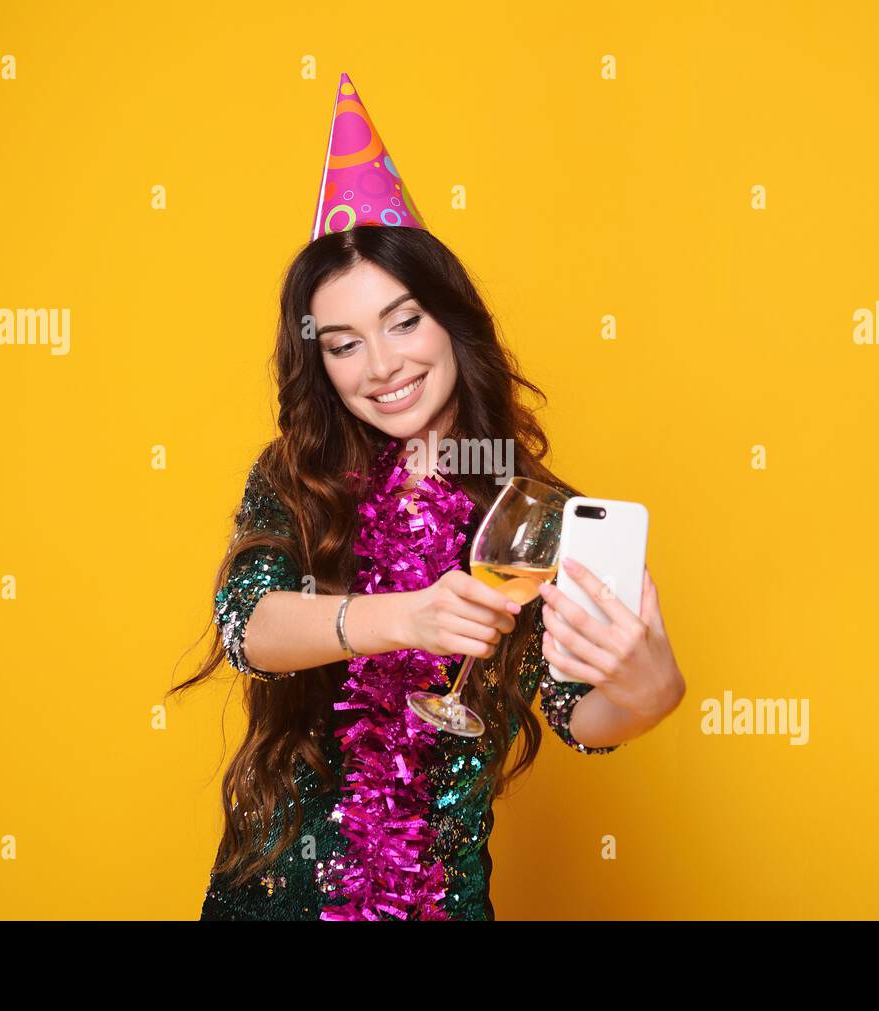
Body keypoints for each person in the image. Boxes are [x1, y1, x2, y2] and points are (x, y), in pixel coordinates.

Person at [168, 73, 685, 921]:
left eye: (404, 322)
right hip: (270, 903)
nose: (381, 366)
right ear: (320, 362)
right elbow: (247, 624)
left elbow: (579, 713)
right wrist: (401, 617)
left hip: (437, 904)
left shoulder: (537, 515)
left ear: (452, 320)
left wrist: (647, 692)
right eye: (344, 343)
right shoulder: (297, 474)